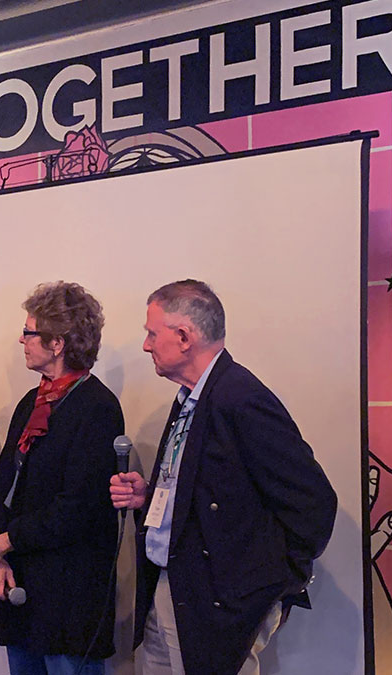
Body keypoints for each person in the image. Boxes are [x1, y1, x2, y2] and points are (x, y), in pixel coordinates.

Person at [109, 280, 338, 675]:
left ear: (184, 337)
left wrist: (261, 590)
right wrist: (151, 498)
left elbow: (314, 505)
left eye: (151, 333)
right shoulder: (191, 398)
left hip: (212, 602)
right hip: (173, 587)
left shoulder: (240, 397)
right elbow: (215, 490)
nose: (146, 345)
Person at [0, 281, 124, 675]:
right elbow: (4, 486)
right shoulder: (33, 401)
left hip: (69, 593)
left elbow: (78, 507)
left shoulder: (98, 407)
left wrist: (5, 542)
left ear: (57, 343)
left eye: (29, 332)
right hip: (18, 582)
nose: (21, 340)